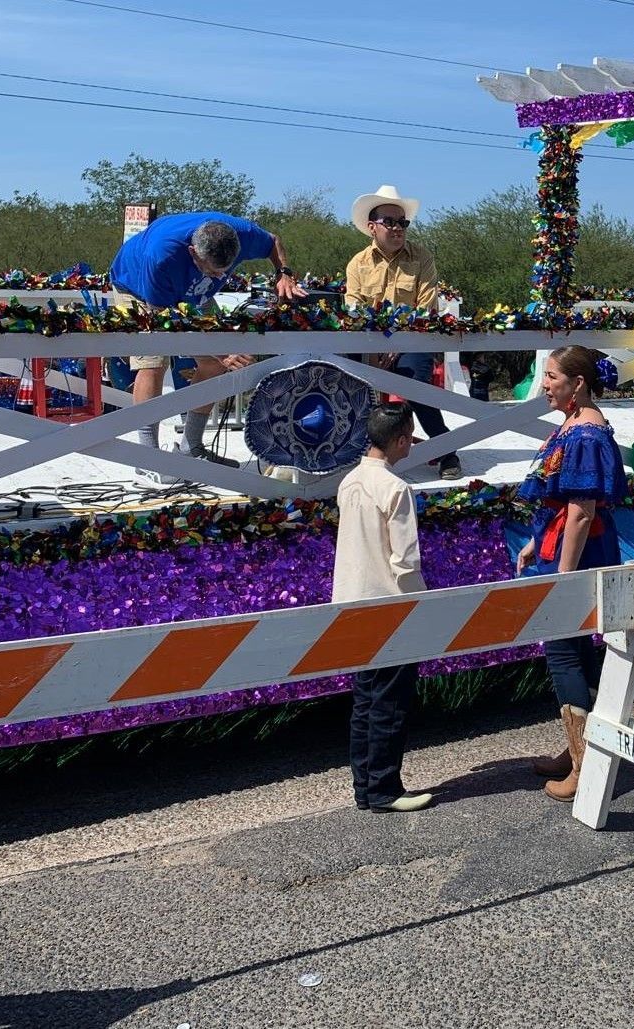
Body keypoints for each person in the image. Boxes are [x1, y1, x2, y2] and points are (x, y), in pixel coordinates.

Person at [515, 345, 628, 802]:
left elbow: (582, 512)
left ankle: (585, 763)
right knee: (575, 651)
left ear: (577, 383)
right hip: (563, 547)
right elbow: (562, 505)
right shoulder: (575, 424)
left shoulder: (585, 434)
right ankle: (579, 746)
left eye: (551, 376)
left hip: (575, 556)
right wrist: (533, 539)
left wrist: (564, 574)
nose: (544, 384)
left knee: (564, 653)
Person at [110, 212, 306, 469]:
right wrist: (220, 351)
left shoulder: (243, 233)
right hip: (137, 289)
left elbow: (273, 242)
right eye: (212, 271)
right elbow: (166, 325)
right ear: (193, 252)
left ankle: (192, 446)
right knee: (153, 361)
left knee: (215, 363)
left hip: (194, 296)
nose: (217, 278)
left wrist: (283, 273)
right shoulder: (160, 256)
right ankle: (148, 457)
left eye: (224, 272)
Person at [333, 402, 434, 813]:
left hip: (351, 601)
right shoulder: (396, 489)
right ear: (400, 440)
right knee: (390, 701)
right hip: (389, 604)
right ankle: (384, 788)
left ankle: (366, 786)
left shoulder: (350, 481)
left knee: (365, 699)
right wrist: (421, 604)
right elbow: (405, 561)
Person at [345, 185, 463, 481]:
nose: (398, 228)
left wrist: (395, 346)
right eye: (390, 222)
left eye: (403, 223)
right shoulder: (357, 263)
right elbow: (354, 311)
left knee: (417, 387)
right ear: (372, 227)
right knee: (350, 385)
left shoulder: (422, 258)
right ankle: (362, 450)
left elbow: (424, 309)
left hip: (413, 338)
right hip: (369, 342)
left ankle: (447, 452)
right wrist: (375, 348)